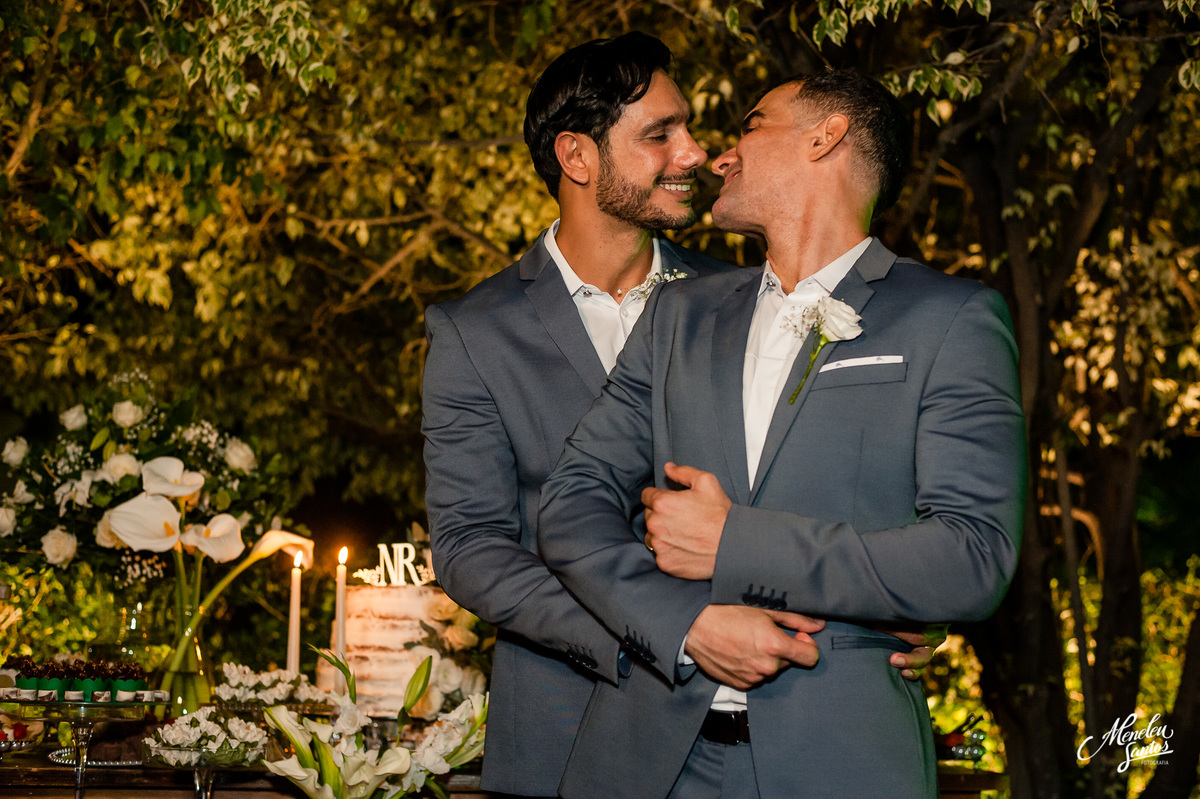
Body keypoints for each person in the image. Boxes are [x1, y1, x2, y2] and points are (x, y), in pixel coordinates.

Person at [423, 38, 941, 797]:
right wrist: (675, 629)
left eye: (691, 128)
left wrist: (889, 601)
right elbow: (471, 547)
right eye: (660, 134)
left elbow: (822, 481)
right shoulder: (475, 330)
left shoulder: (749, 300)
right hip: (570, 731)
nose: (696, 153)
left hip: (775, 726)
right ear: (578, 157)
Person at [538, 68, 1026, 799]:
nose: (717, 155)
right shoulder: (678, 316)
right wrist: (686, 623)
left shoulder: (950, 320)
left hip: (840, 763)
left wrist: (738, 542)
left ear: (825, 137)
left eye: (751, 124)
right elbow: (569, 502)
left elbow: (974, 556)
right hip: (645, 762)